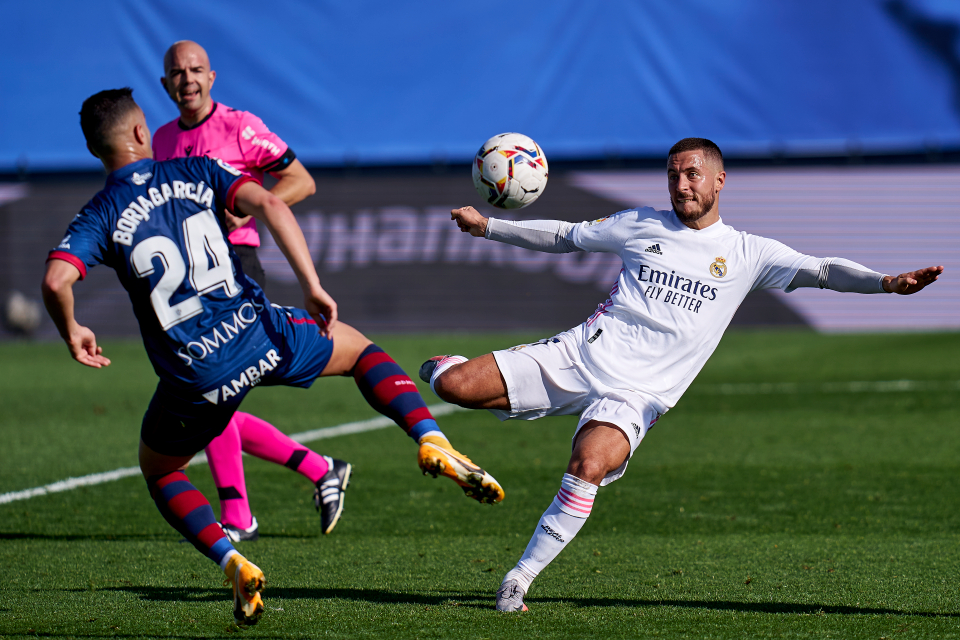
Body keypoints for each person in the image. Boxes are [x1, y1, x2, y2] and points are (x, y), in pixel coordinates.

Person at [418, 137, 943, 612]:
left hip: (637, 395)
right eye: (673, 175)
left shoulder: (747, 252)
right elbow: (565, 236)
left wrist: (886, 283)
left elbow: (822, 270)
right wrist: (489, 226)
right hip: (580, 355)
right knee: (453, 387)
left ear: (718, 180)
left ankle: (520, 578)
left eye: (692, 174)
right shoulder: (641, 223)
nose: (681, 184)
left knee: (589, 464)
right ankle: (445, 366)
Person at [42, 89, 503, 625]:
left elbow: (56, 279)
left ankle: (232, 558)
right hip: (257, 333)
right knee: (359, 352)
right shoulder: (195, 169)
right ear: (142, 134)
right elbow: (273, 202)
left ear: (99, 151)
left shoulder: (99, 212)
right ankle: (432, 439)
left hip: (195, 375)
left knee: (161, 471)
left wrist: (72, 328)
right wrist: (311, 285)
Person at [151, 40, 482, 541]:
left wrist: (251, 205)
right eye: (177, 73)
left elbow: (300, 181)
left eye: (196, 70)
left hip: (235, 268)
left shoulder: (239, 127)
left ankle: (243, 513)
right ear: (165, 84)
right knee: (215, 396)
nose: (188, 80)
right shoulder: (162, 141)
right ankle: (316, 469)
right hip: (190, 278)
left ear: (212, 77)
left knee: (211, 392)